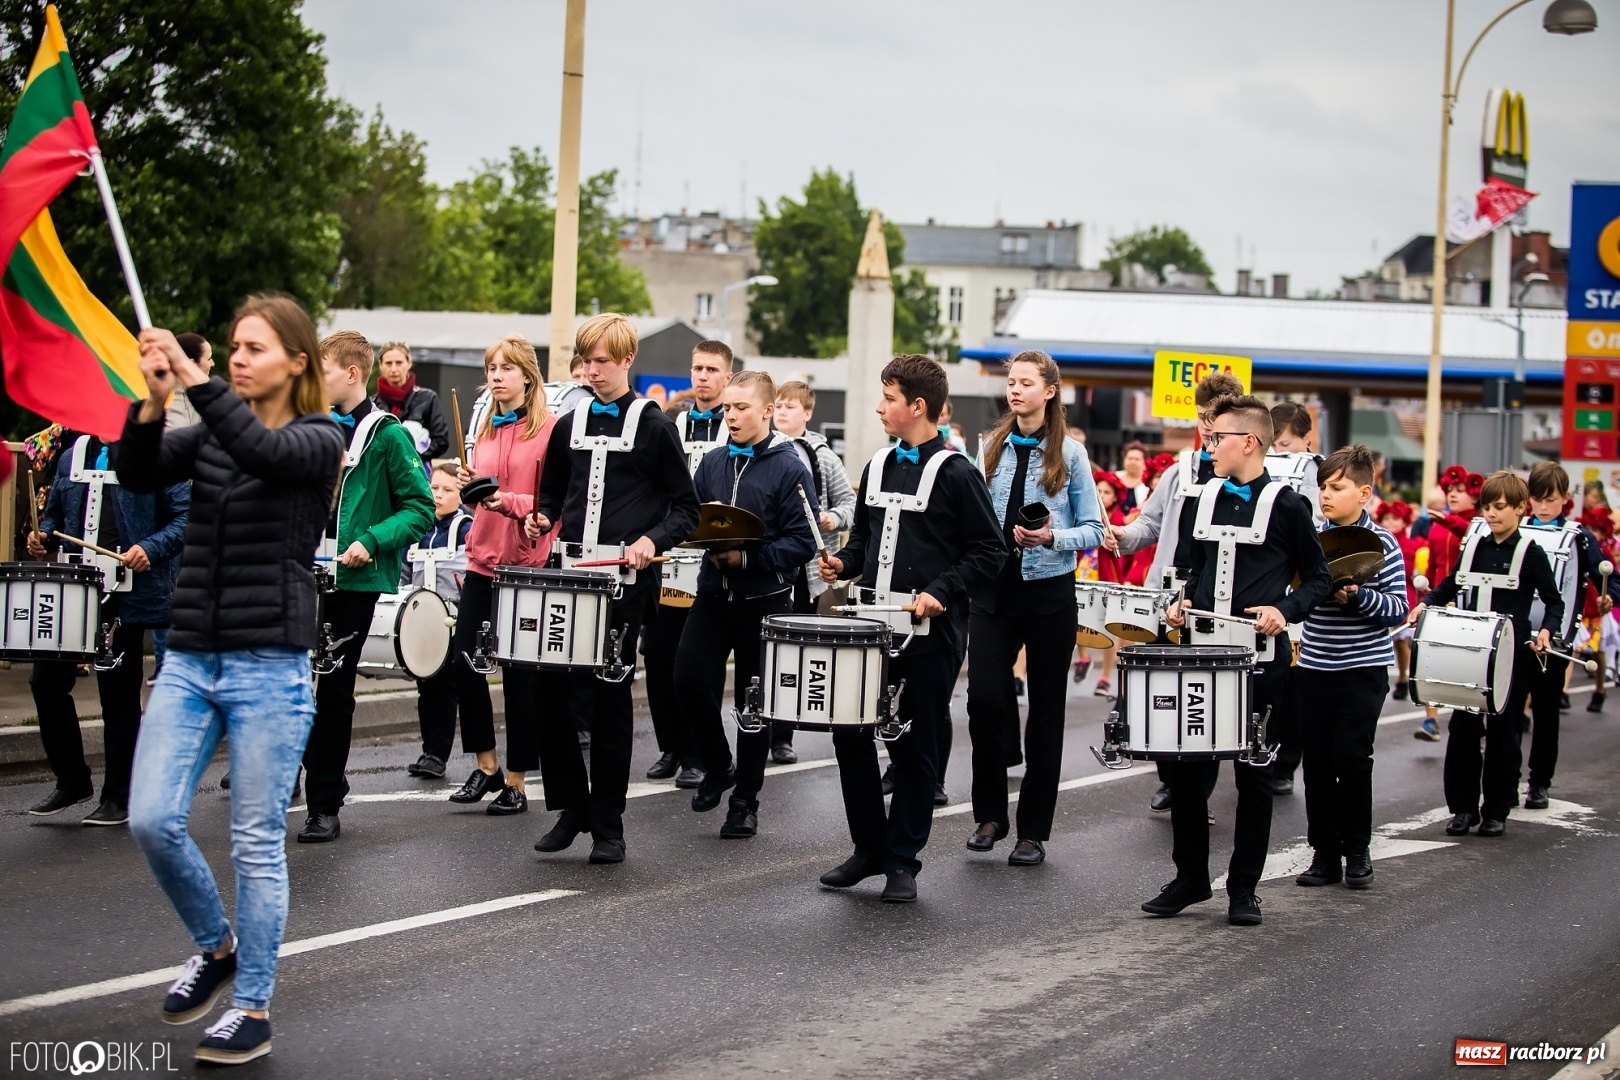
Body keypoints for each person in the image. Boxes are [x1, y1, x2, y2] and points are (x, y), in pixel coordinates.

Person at [121, 295, 346, 1064]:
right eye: (232, 348)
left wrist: (195, 382)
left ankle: (251, 1007)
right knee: (150, 817)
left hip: (269, 663)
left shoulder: (320, 439)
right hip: (190, 655)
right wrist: (153, 399)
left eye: (254, 347)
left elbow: (262, 453)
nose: (238, 357)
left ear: (298, 362)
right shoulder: (215, 433)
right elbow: (139, 470)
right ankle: (214, 947)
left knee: (254, 842)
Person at [816, 354, 1004, 902]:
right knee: (849, 735)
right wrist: (844, 564)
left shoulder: (957, 472)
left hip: (930, 633)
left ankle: (903, 860)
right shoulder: (875, 466)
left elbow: (989, 551)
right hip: (868, 626)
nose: (879, 407)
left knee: (914, 749)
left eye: (889, 398)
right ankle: (868, 848)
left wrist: (941, 592)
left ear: (917, 407)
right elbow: (864, 542)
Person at [1150, 395, 1333, 927]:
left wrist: (1284, 610)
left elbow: (1318, 578)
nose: (1208, 447)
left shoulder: (1287, 504)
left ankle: (1243, 889)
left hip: (1260, 660)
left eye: (1217, 438)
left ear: (1248, 443)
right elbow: (1187, 568)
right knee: (1187, 771)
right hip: (1200, 656)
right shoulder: (1198, 498)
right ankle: (1189, 879)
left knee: (1253, 776)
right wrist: (1179, 604)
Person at [526, 313, 700, 864]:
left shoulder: (654, 425)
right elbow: (553, 493)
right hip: (569, 576)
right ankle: (571, 807)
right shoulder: (566, 423)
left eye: (602, 361)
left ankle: (608, 823)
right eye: (586, 361)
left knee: (606, 699)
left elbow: (686, 508)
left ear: (627, 361)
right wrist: (541, 518)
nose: (592, 371)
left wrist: (653, 539)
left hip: (625, 583)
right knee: (549, 693)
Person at [966, 350, 1103, 866]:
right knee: (984, 701)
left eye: (1026, 382)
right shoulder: (990, 448)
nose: (1015, 390)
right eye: (1011, 381)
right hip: (992, 594)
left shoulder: (1070, 454)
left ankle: (1032, 832)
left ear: (1049, 390)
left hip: (1048, 596)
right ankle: (989, 816)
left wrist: (1051, 537)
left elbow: (1094, 529)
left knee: (1045, 714)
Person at [297, 331, 435, 843]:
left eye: (324, 369)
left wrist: (372, 541)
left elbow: (420, 508)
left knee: (332, 688)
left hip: (351, 576)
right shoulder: (312, 426)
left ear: (351, 374)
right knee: (290, 686)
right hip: (300, 570)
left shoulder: (388, 435)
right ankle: (323, 779)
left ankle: (322, 803)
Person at [674, 371, 818, 838]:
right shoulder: (712, 462)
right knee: (687, 680)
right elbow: (690, 518)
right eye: (727, 408)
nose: (730, 415)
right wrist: (695, 539)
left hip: (765, 602)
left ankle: (745, 803)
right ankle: (719, 766)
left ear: (768, 410)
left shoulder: (791, 466)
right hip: (713, 595)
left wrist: (748, 557)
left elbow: (803, 542)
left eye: (740, 408)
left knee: (755, 707)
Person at [24, 436, 189, 825]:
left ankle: (119, 796)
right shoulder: (70, 456)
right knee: (45, 682)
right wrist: (42, 535)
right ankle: (72, 780)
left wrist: (151, 547)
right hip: (73, 590)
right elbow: (56, 515)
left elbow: (188, 517)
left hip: (126, 591)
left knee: (117, 695)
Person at [1107, 369, 1244, 814]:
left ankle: (1197, 788)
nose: (1207, 424)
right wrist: (1122, 535)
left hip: (1216, 600)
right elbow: (1151, 523)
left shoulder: (1246, 475)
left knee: (1203, 695)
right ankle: (1171, 778)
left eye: (1217, 416)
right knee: (1162, 690)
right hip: (1167, 592)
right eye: (1203, 415)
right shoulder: (1178, 470)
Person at [1409, 470, 1561, 839]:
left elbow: (1553, 602)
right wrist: (1426, 604)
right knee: (1463, 730)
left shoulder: (1531, 553)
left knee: (1504, 733)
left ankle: (1496, 810)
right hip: (1471, 652)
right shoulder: (1474, 545)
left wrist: (1545, 632)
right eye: (1487, 507)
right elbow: (1451, 583)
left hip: (1513, 657)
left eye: (1499, 507)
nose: (1491, 514)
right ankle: (1462, 808)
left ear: (1521, 509)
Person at [446, 335, 560, 815]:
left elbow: (554, 505)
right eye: (491, 367)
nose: (496, 375)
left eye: (506, 368)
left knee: (519, 678)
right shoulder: (487, 427)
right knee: (462, 664)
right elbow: (480, 494)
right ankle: (487, 764)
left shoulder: (551, 430)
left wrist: (507, 503)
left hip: (526, 568)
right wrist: (467, 488)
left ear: (527, 376)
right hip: (481, 561)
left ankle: (517, 779)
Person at [1293, 446, 1408, 891]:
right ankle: (1323, 854)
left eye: (1336, 487)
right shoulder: (1309, 538)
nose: (1325, 495)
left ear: (1364, 493)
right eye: (1322, 486)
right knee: (1317, 762)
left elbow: (1398, 609)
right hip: (1316, 665)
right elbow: (1295, 597)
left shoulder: (1385, 543)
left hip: (1363, 669)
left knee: (1353, 759)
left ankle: (1357, 851)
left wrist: (1358, 596)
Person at [643, 340, 734, 788]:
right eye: (697, 368)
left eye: (712, 369)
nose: (702, 377)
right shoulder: (671, 423)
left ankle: (700, 752)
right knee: (659, 656)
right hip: (668, 556)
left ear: (727, 377)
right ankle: (671, 747)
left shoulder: (730, 428)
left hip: (707, 560)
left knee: (700, 661)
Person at [1521, 462, 1618, 804]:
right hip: (1513, 637)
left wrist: (1608, 596)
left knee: (1546, 714)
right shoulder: (1515, 529)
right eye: (1537, 499)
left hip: (1555, 640)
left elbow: (1610, 576)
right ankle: (1505, 782)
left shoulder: (1579, 537)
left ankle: (1539, 782)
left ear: (1565, 499)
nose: (1543, 507)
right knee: (1506, 713)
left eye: (1551, 500)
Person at [771, 379, 857, 764]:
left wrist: (829, 518)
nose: (783, 412)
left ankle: (782, 735)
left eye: (791, 407)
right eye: (778, 405)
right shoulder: (762, 450)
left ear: (807, 414)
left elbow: (851, 507)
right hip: (768, 564)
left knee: (793, 651)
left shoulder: (822, 457)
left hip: (805, 570)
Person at [403, 463, 474, 779]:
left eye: (448, 490)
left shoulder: (466, 527)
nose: (439, 495)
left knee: (445, 689)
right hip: (420, 624)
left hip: (452, 623)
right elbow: (405, 574)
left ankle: (437, 754)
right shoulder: (419, 528)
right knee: (426, 688)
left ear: (460, 495)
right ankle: (428, 749)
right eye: (434, 488)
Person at [1413, 466, 1482, 740]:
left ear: (1475, 496)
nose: (1452, 495)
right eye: (1449, 491)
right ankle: (1431, 721)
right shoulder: (1439, 526)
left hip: (1468, 603)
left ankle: (1474, 723)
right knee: (1429, 657)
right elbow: (1432, 565)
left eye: (1460, 491)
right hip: (1440, 599)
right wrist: (1426, 595)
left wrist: (1448, 521)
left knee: (1469, 664)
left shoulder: (1478, 524)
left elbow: (1475, 538)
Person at [373, 340, 452, 467]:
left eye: (399, 363)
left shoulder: (427, 398)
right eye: (388, 363)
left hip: (416, 471)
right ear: (380, 365)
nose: (394, 369)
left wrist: (409, 455)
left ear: (409, 363)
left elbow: (441, 441)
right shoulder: (372, 404)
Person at [1376, 500, 1425, 700]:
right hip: (1381, 595)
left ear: (1404, 521)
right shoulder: (1375, 541)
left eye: (1395, 518)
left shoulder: (1411, 545)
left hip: (1405, 594)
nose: (1390, 522)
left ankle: (1404, 677)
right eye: (1387, 518)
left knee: (1402, 641)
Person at [1119, 441, 1149, 512]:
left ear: (1145, 461)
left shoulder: (1148, 484)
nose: (1133, 462)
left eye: (1137, 459)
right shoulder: (1114, 477)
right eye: (1130, 458)